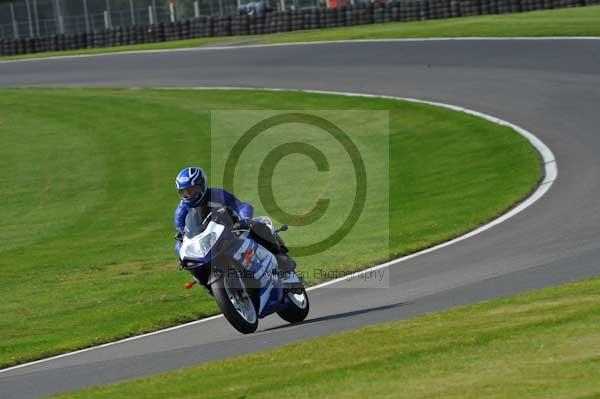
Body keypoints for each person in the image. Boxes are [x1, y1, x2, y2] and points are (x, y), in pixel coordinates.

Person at [173, 167, 295, 271]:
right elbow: (181, 237)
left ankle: (280, 257)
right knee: (194, 265)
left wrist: (245, 220)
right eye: (184, 192)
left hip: (233, 230)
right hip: (209, 243)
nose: (188, 195)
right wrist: (182, 256)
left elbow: (241, 206)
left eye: (192, 190)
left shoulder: (216, 195)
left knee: (257, 225)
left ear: (202, 186)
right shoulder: (181, 211)